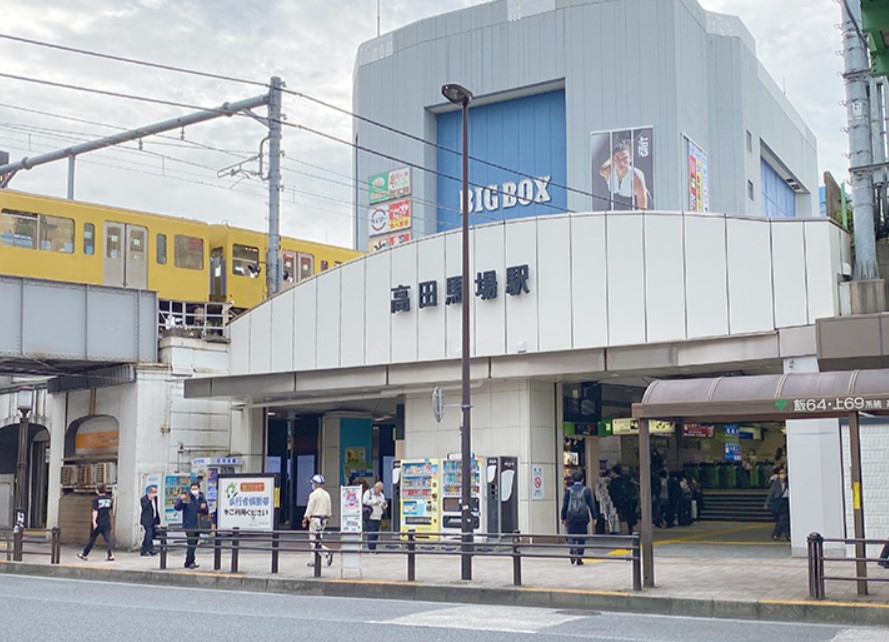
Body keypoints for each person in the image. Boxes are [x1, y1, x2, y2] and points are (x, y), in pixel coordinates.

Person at [561, 470, 598, 565]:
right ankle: (579, 558)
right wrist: (594, 517)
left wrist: (563, 517)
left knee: (571, 535)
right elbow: (591, 505)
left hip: (571, 517)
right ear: (582, 479)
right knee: (581, 538)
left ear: (572, 479)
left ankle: (572, 549)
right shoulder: (586, 490)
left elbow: (565, 505)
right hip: (582, 517)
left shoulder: (568, 490)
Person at [599, 141, 650, 209]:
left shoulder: (636, 177)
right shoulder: (607, 172)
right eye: (617, 159)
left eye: (625, 159)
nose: (621, 163)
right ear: (613, 159)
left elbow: (642, 208)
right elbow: (602, 169)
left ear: (630, 159)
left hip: (635, 201)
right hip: (618, 200)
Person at [174, 481, 208, 569]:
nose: (194, 490)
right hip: (188, 524)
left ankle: (190, 561)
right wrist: (181, 500)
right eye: (193, 489)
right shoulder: (187, 497)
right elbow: (177, 507)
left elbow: (205, 512)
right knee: (191, 543)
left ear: (199, 489)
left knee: (194, 543)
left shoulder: (201, 497)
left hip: (198, 524)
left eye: (196, 489)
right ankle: (189, 561)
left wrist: (204, 508)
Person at [77, 484, 114, 561]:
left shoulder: (96, 500)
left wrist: (94, 521)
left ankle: (84, 554)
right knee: (108, 538)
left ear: (98, 491)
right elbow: (110, 509)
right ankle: (110, 554)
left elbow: (95, 511)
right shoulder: (109, 499)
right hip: (106, 521)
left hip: (98, 522)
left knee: (92, 539)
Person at [303, 473, 334, 567]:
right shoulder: (327, 494)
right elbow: (329, 510)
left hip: (315, 519)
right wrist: (327, 517)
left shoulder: (313, 495)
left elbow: (310, 508)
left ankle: (327, 552)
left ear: (315, 484)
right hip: (323, 519)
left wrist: (305, 518)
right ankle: (314, 560)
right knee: (318, 538)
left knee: (313, 540)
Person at [608, 465, 639, 535]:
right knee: (628, 516)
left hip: (618, 502)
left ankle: (616, 530)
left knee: (617, 516)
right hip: (628, 501)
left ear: (614, 472)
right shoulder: (626, 479)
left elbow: (612, 492)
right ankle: (630, 529)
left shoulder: (614, 482)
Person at [765, 469, 790, 541]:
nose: (783, 475)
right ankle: (783, 534)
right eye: (781, 473)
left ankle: (778, 534)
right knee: (783, 518)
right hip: (779, 501)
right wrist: (767, 503)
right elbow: (771, 493)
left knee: (783, 518)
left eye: (784, 473)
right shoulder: (775, 483)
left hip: (786, 501)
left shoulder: (788, 483)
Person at [362, 481, 387, 553]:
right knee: (371, 534)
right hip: (371, 517)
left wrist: (384, 504)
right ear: (375, 487)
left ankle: (374, 549)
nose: (380, 491)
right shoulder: (368, 493)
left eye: (381, 490)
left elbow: (383, 506)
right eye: (379, 489)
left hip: (378, 517)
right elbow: (364, 501)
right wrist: (374, 502)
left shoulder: (381, 495)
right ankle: (371, 550)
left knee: (376, 534)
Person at [139, 484, 161, 556]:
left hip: (153, 519)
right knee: (149, 534)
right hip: (146, 520)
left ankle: (146, 550)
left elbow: (155, 509)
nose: (154, 494)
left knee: (149, 535)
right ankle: (148, 549)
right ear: (149, 492)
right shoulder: (144, 499)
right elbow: (144, 507)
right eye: (153, 492)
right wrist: (149, 499)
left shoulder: (156, 499)